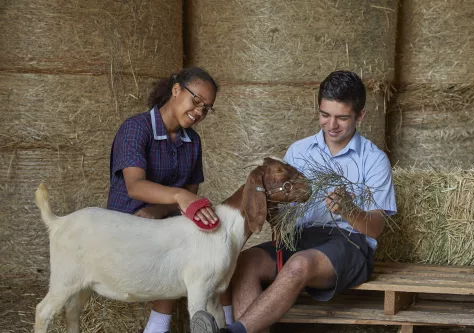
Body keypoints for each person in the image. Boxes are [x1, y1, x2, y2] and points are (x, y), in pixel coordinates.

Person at [190, 70, 397, 333]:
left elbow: (376, 228)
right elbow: (282, 206)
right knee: (244, 263)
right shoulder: (298, 151)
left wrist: (349, 210)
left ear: (361, 115)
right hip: (300, 237)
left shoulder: (374, 159)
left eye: (342, 117)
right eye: (325, 114)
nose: (331, 124)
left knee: (299, 263)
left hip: (349, 244)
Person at [107, 67, 223, 333]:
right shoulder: (136, 128)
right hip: (128, 222)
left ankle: (162, 327)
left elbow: (190, 194)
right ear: (176, 90)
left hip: (165, 224)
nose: (199, 112)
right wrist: (179, 196)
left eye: (207, 108)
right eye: (196, 101)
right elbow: (135, 186)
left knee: (203, 241)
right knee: (180, 247)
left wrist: (163, 208)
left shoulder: (192, 141)